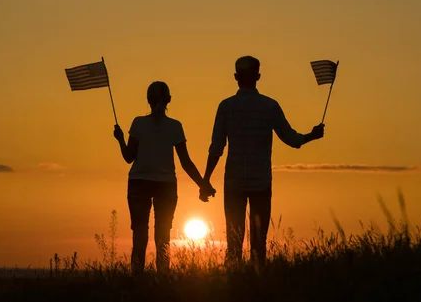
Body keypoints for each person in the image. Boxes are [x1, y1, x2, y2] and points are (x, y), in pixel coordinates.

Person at [203, 56, 325, 268]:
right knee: (259, 243)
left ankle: (233, 286)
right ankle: (257, 286)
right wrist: (311, 136)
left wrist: (205, 179)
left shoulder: (226, 107)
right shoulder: (269, 106)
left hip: (234, 182)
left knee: (233, 241)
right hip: (261, 182)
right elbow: (291, 139)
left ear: (235, 77)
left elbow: (216, 148)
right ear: (258, 77)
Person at [113, 81, 216, 276]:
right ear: (169, 100)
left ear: (148, 100)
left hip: (138, 183)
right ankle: (163, 279)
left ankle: (137, 278)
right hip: (166, 186)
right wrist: (203, 184)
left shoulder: (138, 123)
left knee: (140, 234)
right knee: (163, 236)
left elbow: (128, 157)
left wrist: (119, 139)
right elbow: (185, 162)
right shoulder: (175, 126)